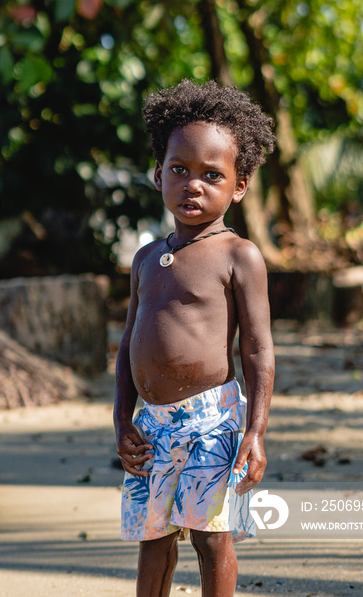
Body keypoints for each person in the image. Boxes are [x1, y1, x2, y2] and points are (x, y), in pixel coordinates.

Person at [114, 79, 276, 597]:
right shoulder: (144, 259)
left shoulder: (238, 255)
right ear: (158, 172)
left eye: (212, 175)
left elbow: (256, 349)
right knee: (154, 539)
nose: (193, 185)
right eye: (179, 170)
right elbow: (127, 346)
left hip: (212, 421)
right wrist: (122, 418)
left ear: (240, 185)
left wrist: (255, 431)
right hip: (151, 427)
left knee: (211, 538)